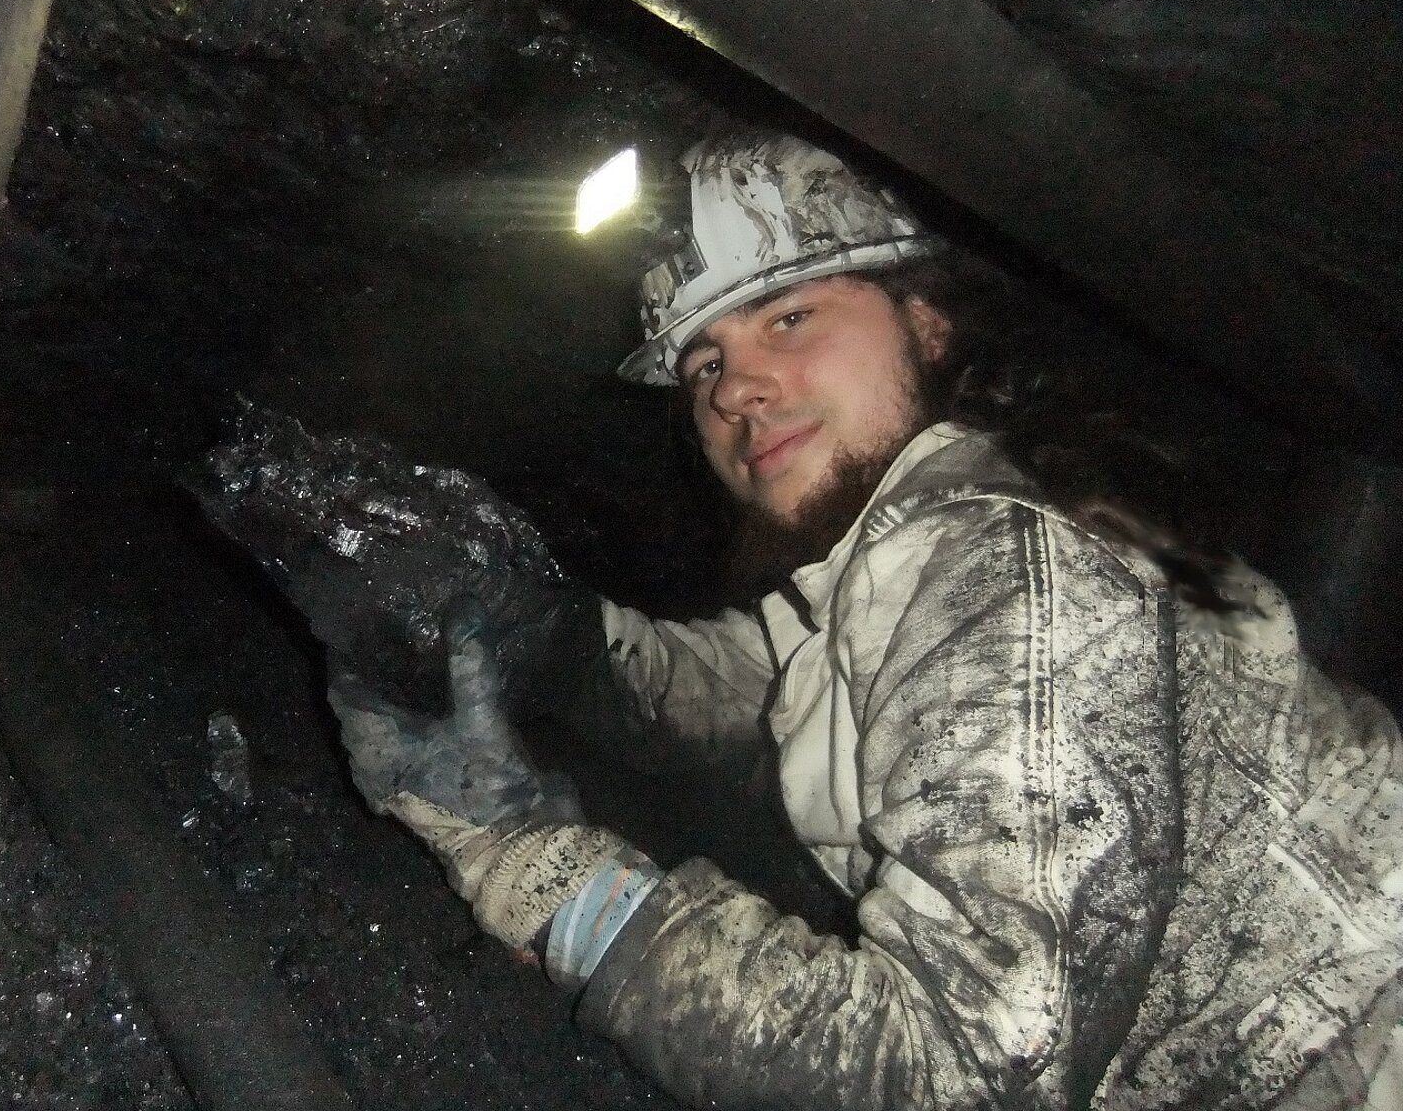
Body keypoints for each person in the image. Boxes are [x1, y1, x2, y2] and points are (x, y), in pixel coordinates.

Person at [324, 133, 1403, 1110]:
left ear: (925, 324)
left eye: (789, 318)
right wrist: (531, 631)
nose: (737, 388)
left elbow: (962, 1075)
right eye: (704, 366)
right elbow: (738, 693)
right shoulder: (892, 558)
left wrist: (534, 866)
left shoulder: (1007, 561)